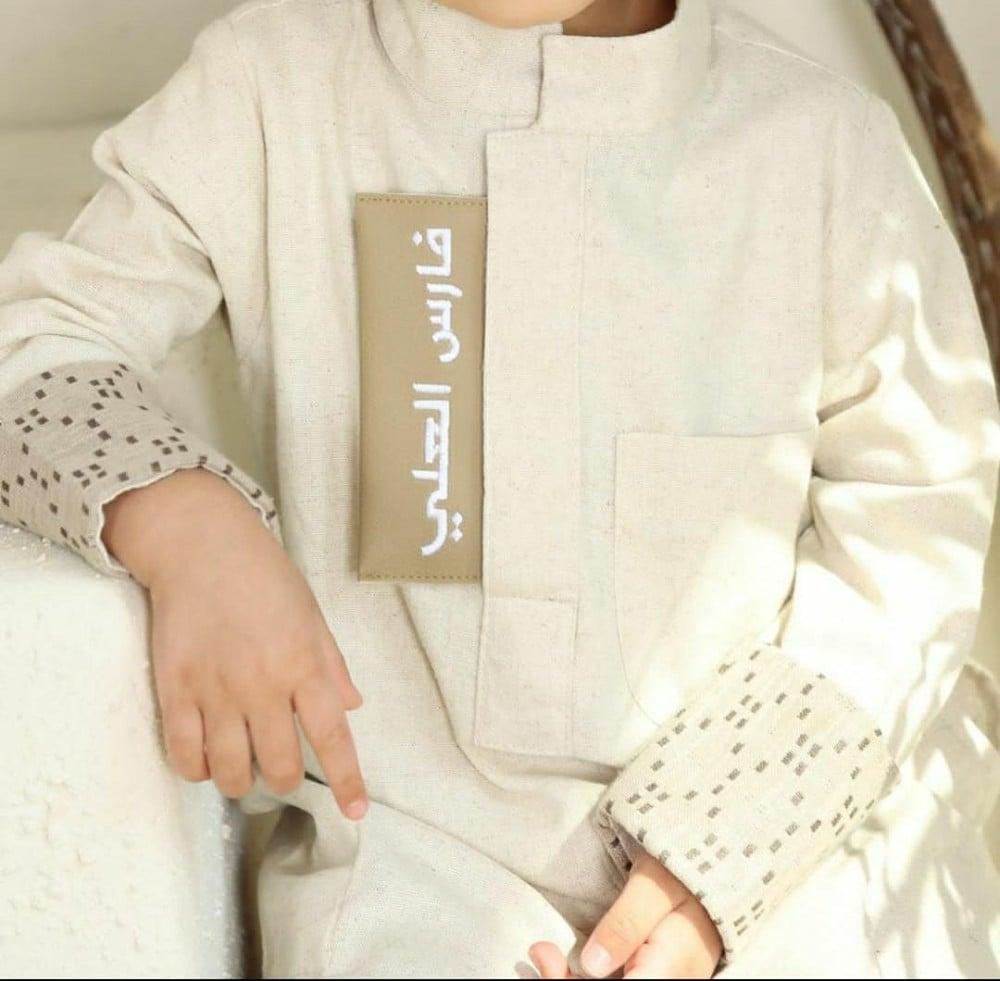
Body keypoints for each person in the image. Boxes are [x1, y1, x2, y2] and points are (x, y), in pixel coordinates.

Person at [1, 0, 998, 977]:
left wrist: (724, 847)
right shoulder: (267, 87)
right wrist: (188, 522)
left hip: (782, 857)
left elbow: (918, 518)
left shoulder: (825, 147)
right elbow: (39, 339)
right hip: (405, 860)